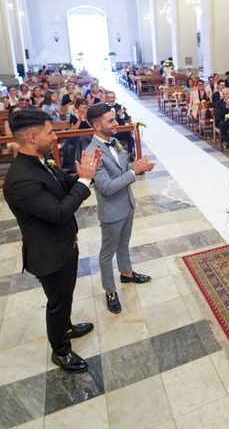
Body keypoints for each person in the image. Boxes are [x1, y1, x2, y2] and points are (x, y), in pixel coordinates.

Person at [3, 111, 100, 373]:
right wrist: (84, 180)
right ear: (33, 137)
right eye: (51, 132)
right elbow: (58, 213)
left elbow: (60, 184)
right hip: (49, 251)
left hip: (64, 244)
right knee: (57, 303)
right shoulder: (20, 179)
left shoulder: (40, 160)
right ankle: (61, 350)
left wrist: (79, 176)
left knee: (65, 295)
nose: (55, 137)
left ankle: (66, 327)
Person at [85, 104, 154, 313]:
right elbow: (105, 188)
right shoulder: (92, 153)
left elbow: (124, 170)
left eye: (115, 119)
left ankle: (127, 274)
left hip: (127, 203)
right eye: (110, 121)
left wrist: (137, 168)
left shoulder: (114, 143)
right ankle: (110, 290)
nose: (116, 123)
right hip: (112, 211)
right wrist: (134, 172)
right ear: (97, 125)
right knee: (107, 253)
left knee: (123, 244)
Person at [105, 91, 135, 160]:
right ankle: (114, 157)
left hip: (121, 131)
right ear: (106, 99)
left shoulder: (119, 106)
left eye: (113, 97)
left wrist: (122, 115)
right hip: (110, 132)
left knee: (130, 137)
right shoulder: (103, 108)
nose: (112, 99)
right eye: (110, 98)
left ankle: (130, 154)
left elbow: (127, 118)